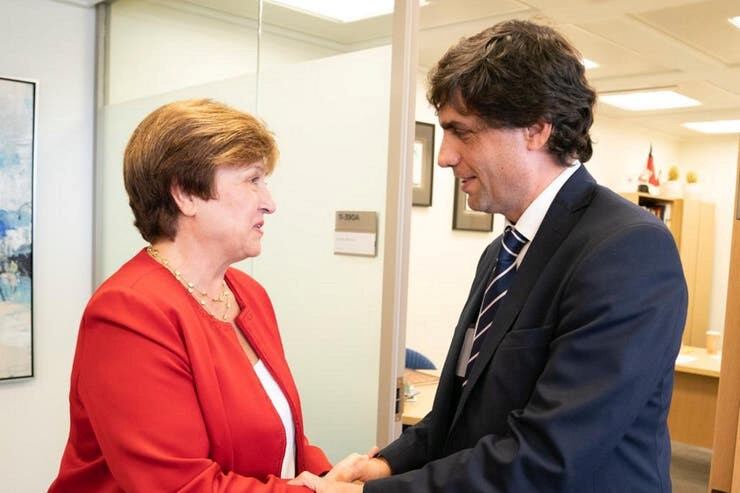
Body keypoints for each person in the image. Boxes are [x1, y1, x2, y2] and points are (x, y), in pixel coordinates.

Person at [291, 19, 687, 493]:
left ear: (537, 129)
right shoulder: (502, 252)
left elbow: (550, 455)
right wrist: (387, 464)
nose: (444, 156)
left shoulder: (627, 249)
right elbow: (459, 411)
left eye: (463, 133)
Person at [50, 99, 330, 492]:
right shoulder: (127, 311)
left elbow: (282, 437)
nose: (270, 202)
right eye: (252, 180)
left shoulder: (248, 295)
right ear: (185, 194)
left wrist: (329, 477)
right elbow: (178, 486)